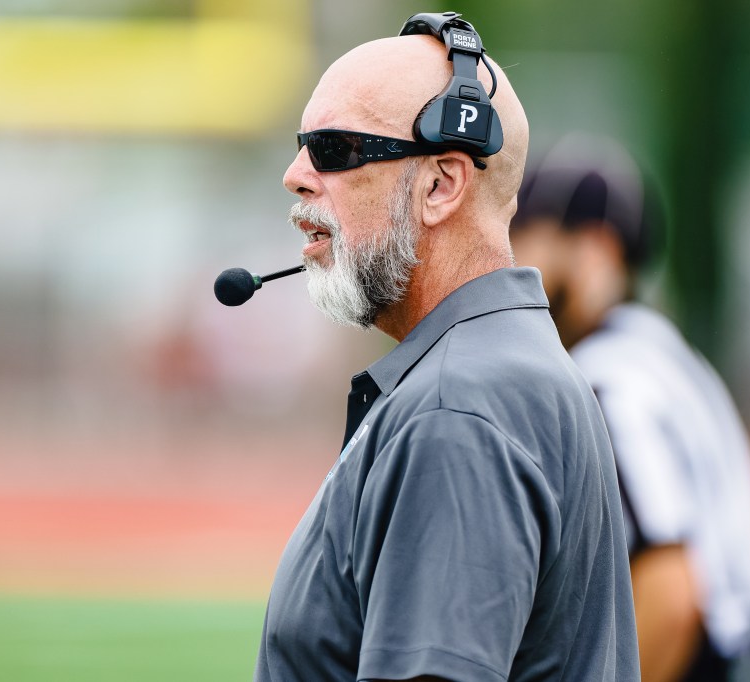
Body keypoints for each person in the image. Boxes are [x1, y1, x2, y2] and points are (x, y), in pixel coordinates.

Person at [253, 14, 640, 682]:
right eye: (301, 146)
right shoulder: (498, 371)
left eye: (335, 149)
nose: (295, 175)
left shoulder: (456, 407)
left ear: (441, 185)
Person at [509, 133, 750, 681]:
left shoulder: (610, 384)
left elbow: (671, 595)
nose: (513, 260)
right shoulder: (667, 356)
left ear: (595, 249)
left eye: (528, 234)